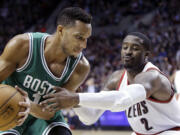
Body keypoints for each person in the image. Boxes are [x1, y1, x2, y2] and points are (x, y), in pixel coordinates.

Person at [41, 32, 180, 135]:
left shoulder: (152, 77)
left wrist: (75, 98)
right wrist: (75, 101)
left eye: (135, 48)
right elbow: (90, 117)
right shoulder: (116, 78)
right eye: (125, 47)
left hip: (171, 132)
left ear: (146, 55)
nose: (128, 52)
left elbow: (122, 101)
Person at [0, 7, 92, 135]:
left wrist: (28, 105)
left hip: (43, 119)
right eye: (79, 37)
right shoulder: (22, 45)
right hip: (10, 111)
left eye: (87, 38)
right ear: (61, 30)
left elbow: (50, 112)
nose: (84, 45)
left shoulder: (80, 67)